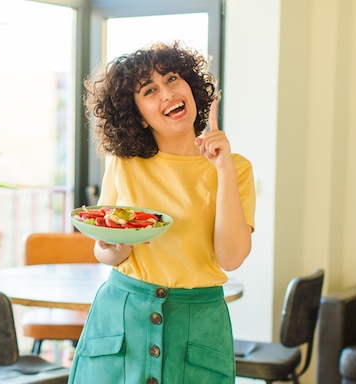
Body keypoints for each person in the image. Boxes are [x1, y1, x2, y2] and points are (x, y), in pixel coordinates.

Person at [68, 41, 256, 384]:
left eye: (172, 79)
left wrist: (224, 169)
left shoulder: (235, 168)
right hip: (123, 315)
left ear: (191, 88)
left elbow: (231, 258)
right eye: (150, 90)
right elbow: (103, 247)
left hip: (197, 321)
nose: (167, 92)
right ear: (137, 114)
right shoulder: (124, 164)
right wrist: (112, 249)